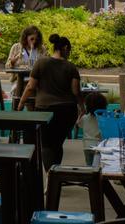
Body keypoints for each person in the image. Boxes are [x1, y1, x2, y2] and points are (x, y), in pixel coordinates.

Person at [17, 33, 83, 170]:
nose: (69, 54)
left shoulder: (41, 63)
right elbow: (76, 91)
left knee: (46, 145)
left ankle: (51, 174)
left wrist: (21, 103)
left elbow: (30, 87)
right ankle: (55, 174)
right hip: (67, 111)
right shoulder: (71, 67)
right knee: (57, 143)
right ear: (65, 48)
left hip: (44, 110)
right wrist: (82, 107)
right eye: (69, 51)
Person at [78, 91, 107, 165]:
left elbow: (79, 125)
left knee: (89, 166)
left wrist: (81, 114)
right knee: (99, 165)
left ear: (87, 106)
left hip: (87, 146)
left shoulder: (85, 118)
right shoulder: (104, 119)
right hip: (100, 146)